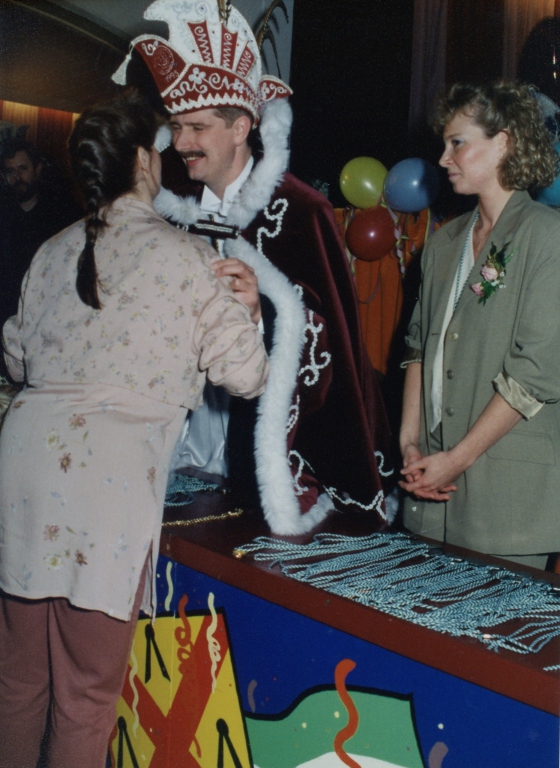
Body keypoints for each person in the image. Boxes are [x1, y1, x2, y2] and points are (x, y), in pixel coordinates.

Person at [0, 91, 268, 768]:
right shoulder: (187, 258)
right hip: (107, 483)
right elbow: (246, 376)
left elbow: (16, 358)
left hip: (22, 468)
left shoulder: (51, 251)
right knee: (86, 700)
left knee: (17, 683)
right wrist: (250, 309)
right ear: (145, 161)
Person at [112, 0, 394, 536]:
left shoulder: (301, 211)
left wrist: (264, 312)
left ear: (241, 128)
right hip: (183, 438)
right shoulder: (165, 208)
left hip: (268, 448)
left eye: (197, 127)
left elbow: (333, 338)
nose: (182, 143)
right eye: (176, 127)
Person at [399, 81, 560, 568]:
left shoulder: (547, 236)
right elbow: (417, 349)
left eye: (457, 143)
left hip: (506, 503)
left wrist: (457, 459)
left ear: (504, 143)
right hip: (431, 493)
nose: (443, 158)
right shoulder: (443, 243)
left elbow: (535, 375)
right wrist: (409, 443)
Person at [0, 138, 82, 339]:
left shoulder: (63, 214)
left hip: (48, 317)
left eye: (23, 168)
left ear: (37, 169)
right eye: (10, 171)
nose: (17, 177)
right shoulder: (4, 214)